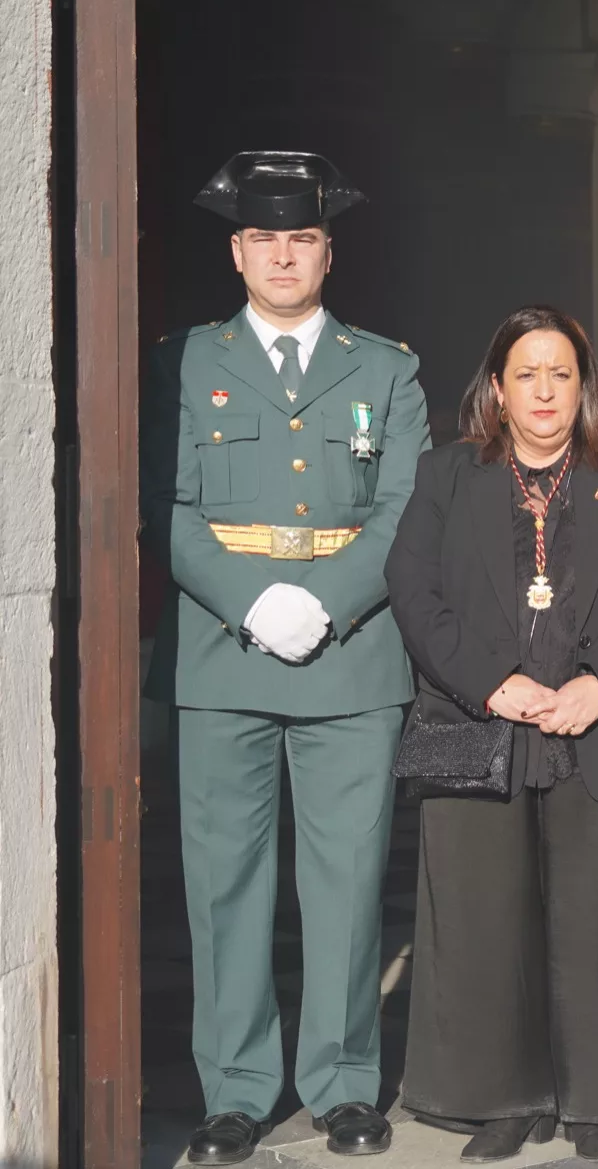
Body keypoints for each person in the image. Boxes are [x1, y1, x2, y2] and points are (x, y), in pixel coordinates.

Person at [140, 152, 427, 1164]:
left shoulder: (386, 369)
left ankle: (343, 1084)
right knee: (225, 883)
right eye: (264, 239)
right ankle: (235, 1089)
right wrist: (251, 599)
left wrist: (329, 602)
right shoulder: (184, 362)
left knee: (347, 882)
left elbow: (403, 510)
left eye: (301, 238)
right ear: (237, 252)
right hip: (224, 653)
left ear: (327, 251)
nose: (283, 256)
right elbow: (164, 504)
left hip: (350, 656)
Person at [384, 305, 598, 1165]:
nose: (544, 391)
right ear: (497, 389)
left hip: (597, 729)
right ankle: (501, 1100)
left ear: (585, 387)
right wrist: (490, 683)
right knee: (488, 924)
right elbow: (413, 588)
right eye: (526, 374)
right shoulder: (448, 475)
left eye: (561, 374)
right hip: (487, 728)